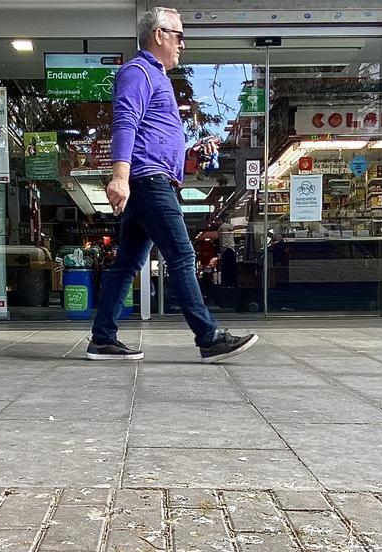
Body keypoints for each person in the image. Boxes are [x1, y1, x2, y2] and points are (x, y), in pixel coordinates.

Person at [86, 6, 257, 363]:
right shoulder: (139, 71)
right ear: (159, 35)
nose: (183, 45)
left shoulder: (156, 76)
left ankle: (102, 338)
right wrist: (119, 175)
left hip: (149, 178)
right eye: (179, 36)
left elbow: (152, 135)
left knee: (127, 264)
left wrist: (189, 154)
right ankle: (208, 336)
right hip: (147, 181)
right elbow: (125, 121)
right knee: (181, 255)